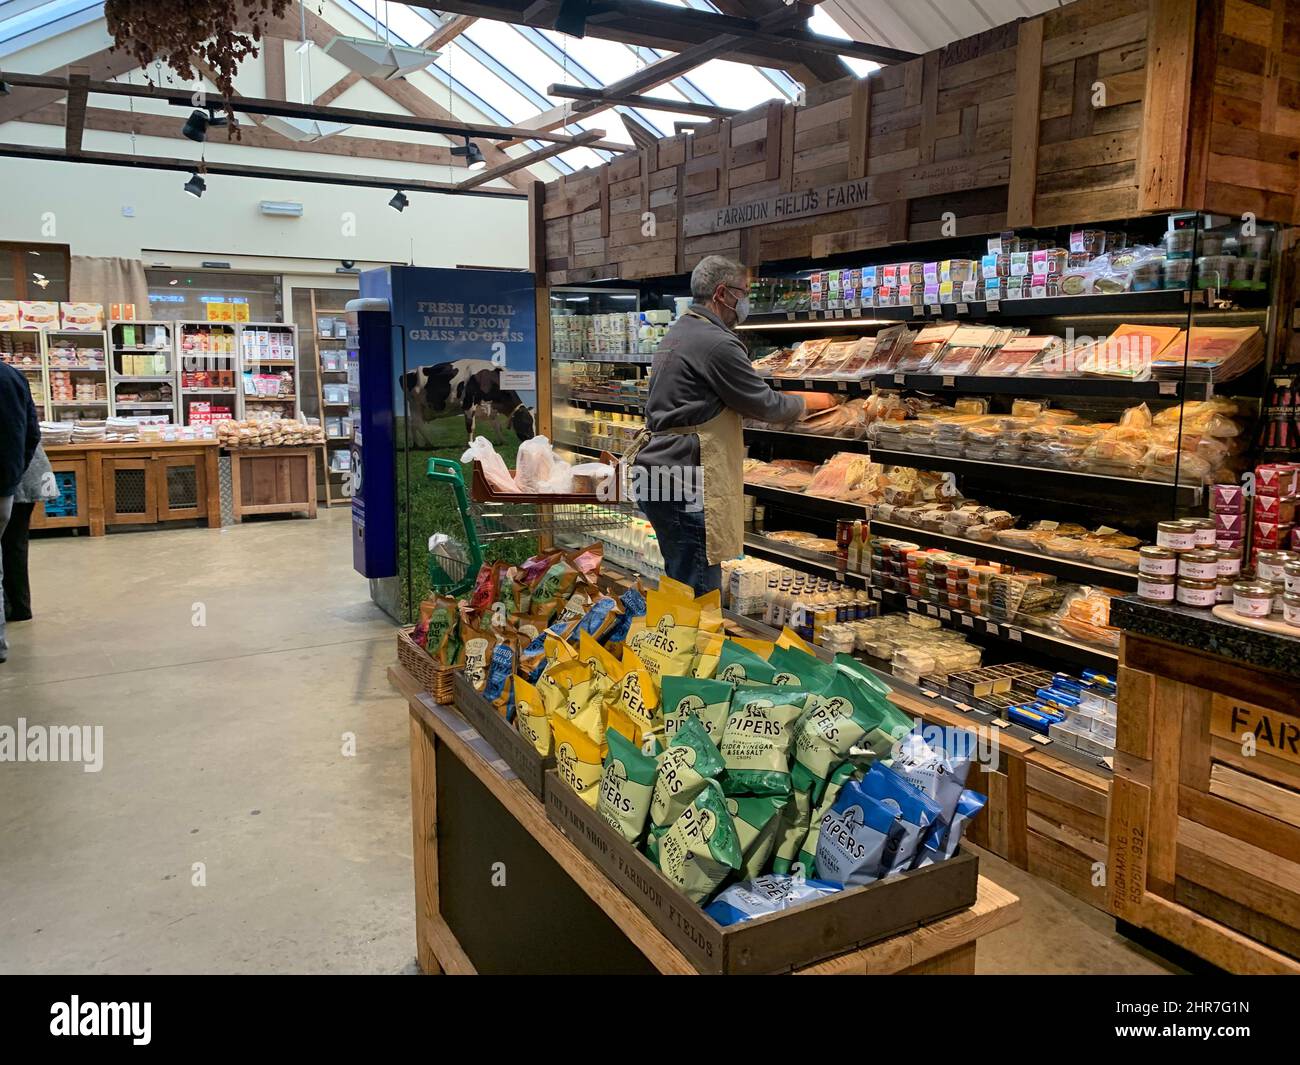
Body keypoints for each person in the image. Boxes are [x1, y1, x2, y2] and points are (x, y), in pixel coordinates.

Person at [630, 255, 835, 594]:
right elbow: (765, 404)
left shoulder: (681, 331)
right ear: (722, 293)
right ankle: (692, 631)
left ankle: (678, 627)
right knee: (698, 589)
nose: (746, 301)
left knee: (681, 582)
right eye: (744, 292)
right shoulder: (716, 342)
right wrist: (812, 401)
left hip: (659, 471)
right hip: (686, 477)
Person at [0, 360, 41, 663]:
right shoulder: (12, 376)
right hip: (10, 484)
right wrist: (12, 478)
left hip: (13, 481)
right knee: (13, 547)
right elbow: (31, 433)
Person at [3, 444, 55, 623]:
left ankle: (16, 607)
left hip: (15, 475)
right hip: (21, 471)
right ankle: (18, 607)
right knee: (14, 544)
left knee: (12, 543)